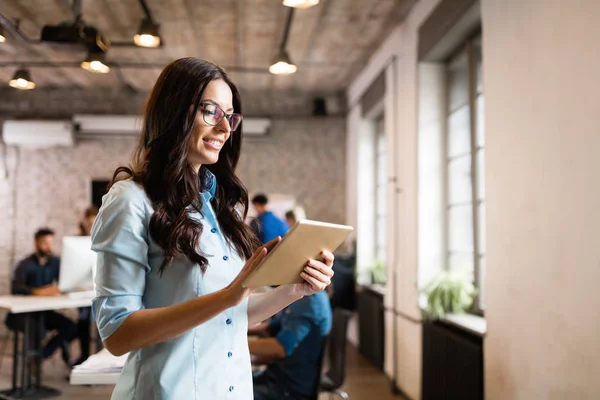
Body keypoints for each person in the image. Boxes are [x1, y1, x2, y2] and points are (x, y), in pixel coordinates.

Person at [91, 57, 335, 400]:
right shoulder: (131, 200)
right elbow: (117, 334)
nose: (225, 129)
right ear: (174, 111)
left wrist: (296, 289)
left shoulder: (218, 207)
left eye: (230, 116)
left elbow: (232, 315)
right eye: (211, 111)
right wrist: (226, 297)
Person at [5, 228, 77, 367]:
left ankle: (42, 354)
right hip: (23, 314)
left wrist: (69, 287)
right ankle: (31, 368)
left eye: (50, 243)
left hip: (44, 311)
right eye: (44, 243)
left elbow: (65, 281)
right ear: (36, 244)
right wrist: (37, 292)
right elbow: (16, 288)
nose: (48, 246)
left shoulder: (55, 262)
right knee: (39, 331)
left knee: (70, 327)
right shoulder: (25, 264)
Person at [249, 289, 332, 400]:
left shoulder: (311, 301)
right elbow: (270, 327)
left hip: (288, 388)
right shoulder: (300, 294)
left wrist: (238, 344)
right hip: (276, 376)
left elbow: (281, 348)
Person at [74, 205, 99, 366]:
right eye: (88, 223)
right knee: (83, 320)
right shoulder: (77, 243)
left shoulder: (106, 238)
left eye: (93, 223)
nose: (91, 227)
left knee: (99, 322)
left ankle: (99, 360)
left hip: (101, 288)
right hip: (83, 290)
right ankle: (84, 357)